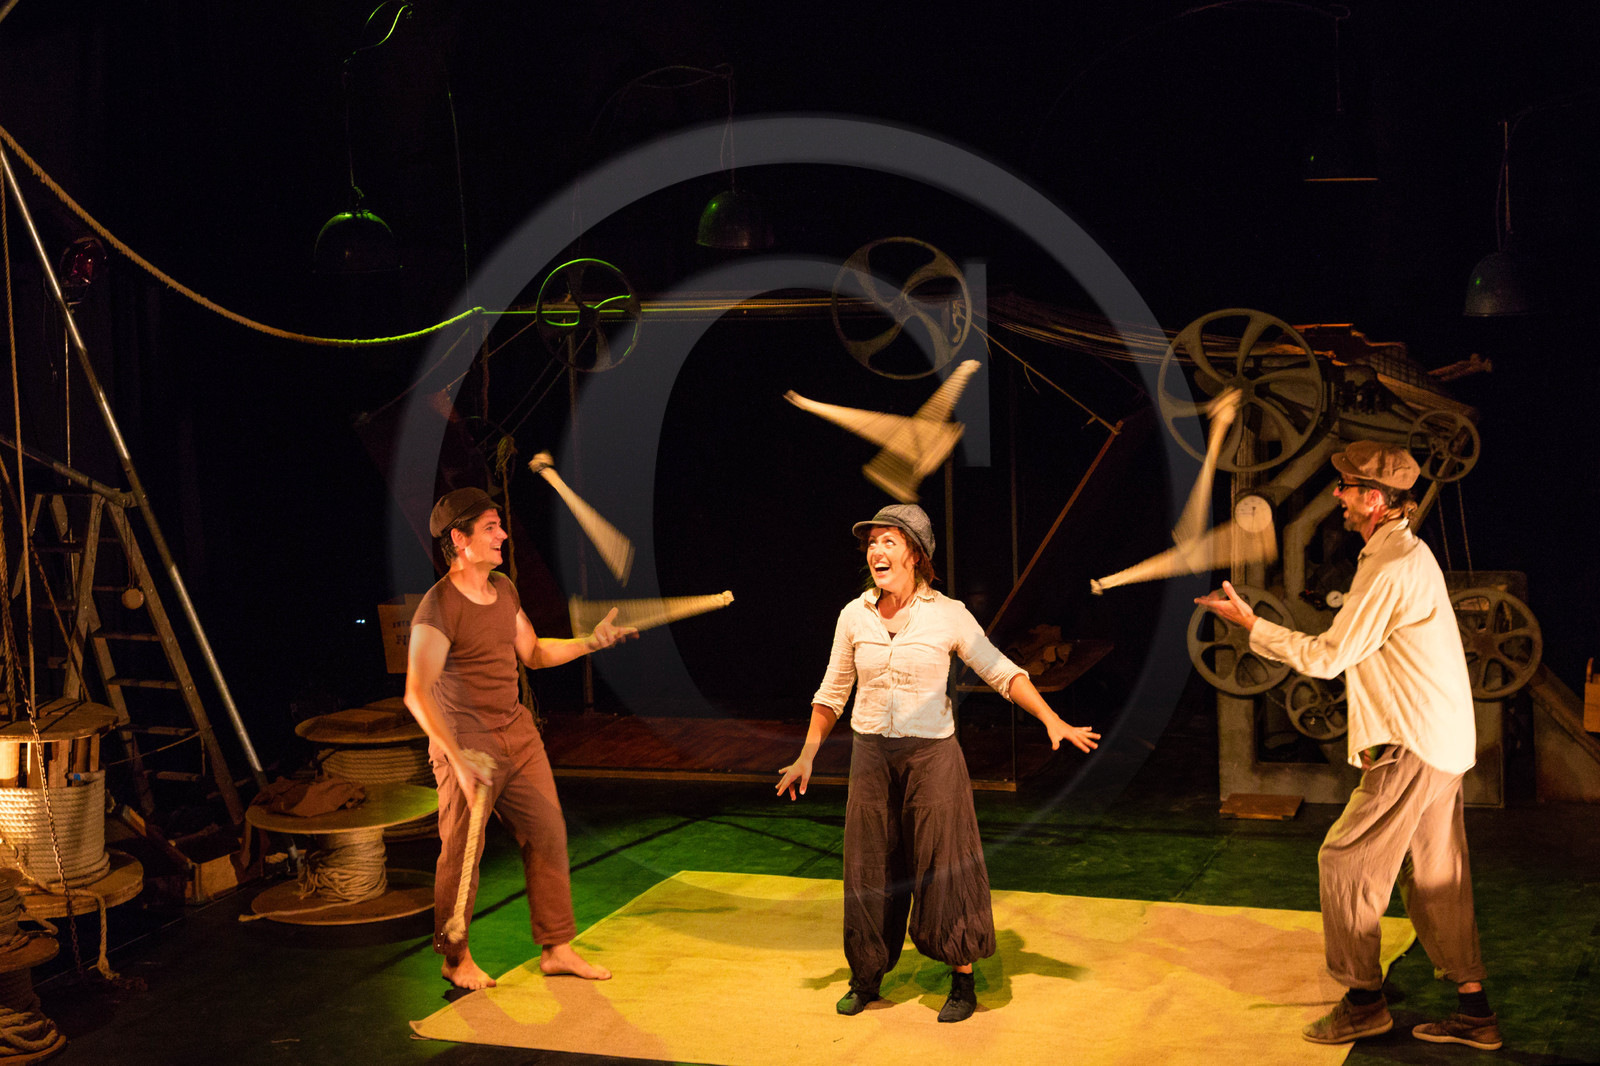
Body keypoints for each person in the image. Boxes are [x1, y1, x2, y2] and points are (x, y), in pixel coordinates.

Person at [1195, 440, 1499, 1051]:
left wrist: (1254, 625)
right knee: (1436, 876)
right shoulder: (1399, 554)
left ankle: (1364, 1004)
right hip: (1437, 739)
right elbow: (1370, 658)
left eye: (1347, 488)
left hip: (1414, 742)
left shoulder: (1392, 566)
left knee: (1345, 860)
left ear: (1376, 500)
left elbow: (1330, 657)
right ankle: (1475, 1012)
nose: (1337, 495)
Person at [776, 503, 1099, 1023]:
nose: (876, 551)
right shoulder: (854, 614)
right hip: (871, 755)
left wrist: (1051, 718)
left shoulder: (948, 614)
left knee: (946, 864)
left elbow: (1000, 670)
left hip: (932, 755)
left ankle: (962, 978)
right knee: (868, 867)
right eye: (872, 542)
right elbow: (832, 692)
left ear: (916, 555)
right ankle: (866, 977)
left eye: (889, 541)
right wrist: (807, 754)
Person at [404, 487, 634, 990]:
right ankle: (454, 957)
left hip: (517, 735)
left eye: (499, 526)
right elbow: (416, 694)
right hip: (466, 744)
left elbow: (532, 653)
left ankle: (557, 948)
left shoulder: (503, 589)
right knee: (462, 853)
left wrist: (589, 643)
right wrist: (457, 758)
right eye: (490, 528)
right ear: (459, 539)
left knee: (548, 832)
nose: (503, 535)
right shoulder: (438, 607)